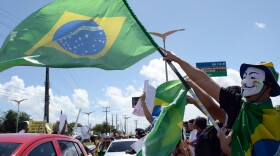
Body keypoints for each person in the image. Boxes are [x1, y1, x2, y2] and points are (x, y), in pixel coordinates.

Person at [162, 48, 280, 155]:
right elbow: (205, 81)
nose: (245, 82)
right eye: (245, 77)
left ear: (269, 86)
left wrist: (227, 149)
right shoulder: (238, 103)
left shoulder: (275, 120)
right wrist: (178, 60)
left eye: (253, 77)